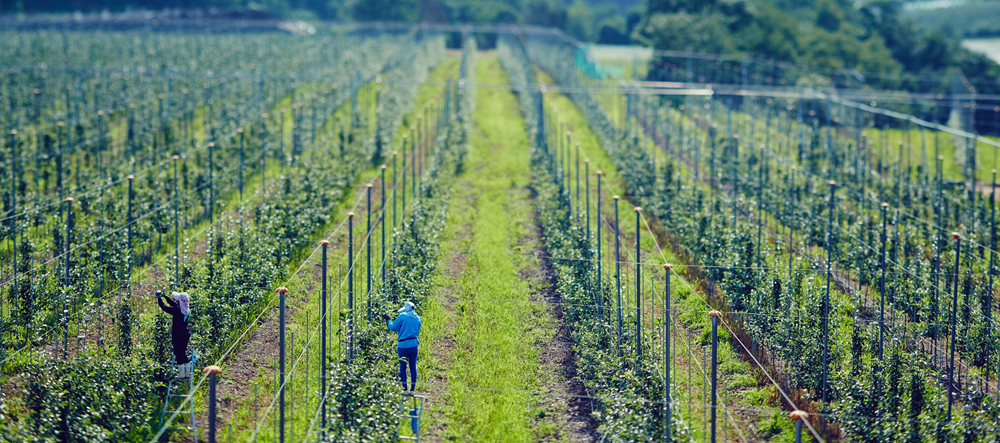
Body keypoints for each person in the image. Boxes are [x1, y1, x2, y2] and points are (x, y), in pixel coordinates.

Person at [382, 301, 421, 395]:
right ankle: (412, 390)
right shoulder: (417, 318)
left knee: (403, 368)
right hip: (414, 344)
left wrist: (388, 319)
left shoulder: (402, 316)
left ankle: (405, 390)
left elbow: (393, 328)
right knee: (413, 368)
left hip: (403, 345)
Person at [157, 291, 193, 379]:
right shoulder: (186, 309)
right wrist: (165, 297)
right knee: (183, 352)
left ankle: (181, 375)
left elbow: (164, 307)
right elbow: (174, 304)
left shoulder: (177, 311)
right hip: (186, 333)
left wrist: (159, 298)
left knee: (178, 352)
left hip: (178, 334)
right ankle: (187, 374)